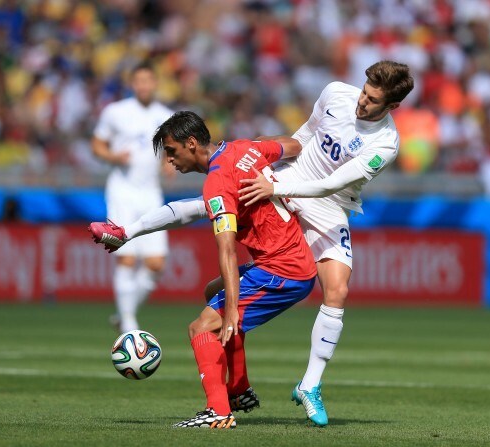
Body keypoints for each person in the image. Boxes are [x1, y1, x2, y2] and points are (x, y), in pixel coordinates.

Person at [89, 60, 414, 426]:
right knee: (213, 279)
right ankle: (238, 387)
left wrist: (271, 182)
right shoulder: (336, 94)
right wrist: (258, 154)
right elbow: (300, 138)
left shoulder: (385, 143)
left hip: (326, 202)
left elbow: (330, 184)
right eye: (364, 92)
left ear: (392, 106)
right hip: (284, 177)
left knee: (335, 291)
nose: (362, 103)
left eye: (372, 101)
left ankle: (306, 386)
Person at [106, 111, 316, 429]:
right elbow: (294, 146)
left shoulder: (217, 182)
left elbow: (227, 249)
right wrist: (262, 147)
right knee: (212, 293)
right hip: (289, 259)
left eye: (172, 152)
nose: (171, 161)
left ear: (192, 144)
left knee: (202, 327)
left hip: (282, 270)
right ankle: (240, 388)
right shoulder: (244, 148)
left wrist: (231, 310)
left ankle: (218, 411)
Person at [90, 62, 174, 333]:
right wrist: (114, 156)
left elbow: (169, 151)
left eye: (148, 80)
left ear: (155, 83)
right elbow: (97, 145)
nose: (144, 86)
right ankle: (128, 323)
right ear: (132, 84)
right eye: (139, 81)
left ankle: (124, 313)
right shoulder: (116, 112)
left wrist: (168, 163)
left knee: (156, 264)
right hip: (122, 191)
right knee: (126, 258)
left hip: (151, 192)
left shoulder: (166, 116)